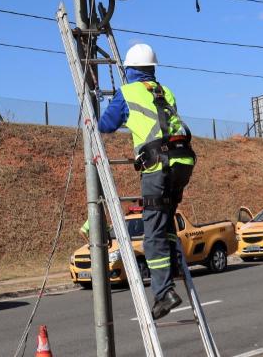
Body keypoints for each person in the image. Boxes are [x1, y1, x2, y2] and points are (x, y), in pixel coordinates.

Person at [98, 43, 196, 320]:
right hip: (183, 162)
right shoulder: (166, 91)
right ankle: (172, 270)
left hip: (157, 166)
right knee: (164, 222)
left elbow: (105, 125)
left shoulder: (126, 93)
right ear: (152, 69)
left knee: (152, 235)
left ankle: (164, 292)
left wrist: (104, 102)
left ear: (128, 70)